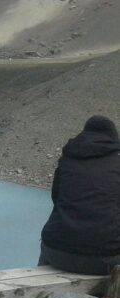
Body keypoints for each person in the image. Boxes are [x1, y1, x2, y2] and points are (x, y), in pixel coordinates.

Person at [39, 115, 120, 275]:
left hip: (56, 252)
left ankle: (37, 296)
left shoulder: (68, 158)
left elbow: (56, 197)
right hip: (105, 260)